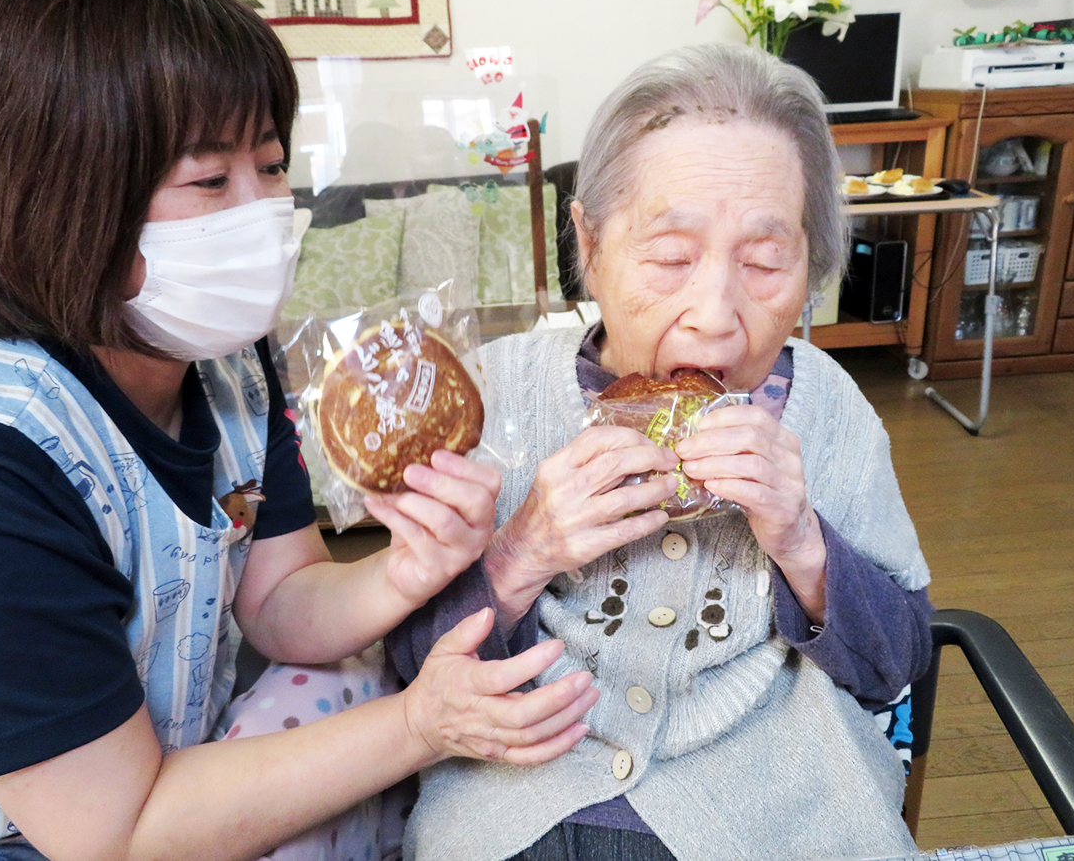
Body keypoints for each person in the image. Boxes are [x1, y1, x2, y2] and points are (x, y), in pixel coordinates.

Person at [0, 0, 599, 859]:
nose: (266, 215)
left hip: (177, 767)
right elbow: (116, 832)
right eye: (211, 181)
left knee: (351, 674)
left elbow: (282, 599)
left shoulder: (223, 359)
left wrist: (411, 569)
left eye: (271, 164)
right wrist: (422, 726)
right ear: (57, 196)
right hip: (38, 836)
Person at [387, 43, 935, 861]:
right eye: (671, 257)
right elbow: (408, 669)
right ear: (591, 243)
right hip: (516, 804)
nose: (714, 315)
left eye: (764, 260)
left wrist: (802, 542)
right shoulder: (494, 397)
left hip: (782, 812)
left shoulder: (832, 413)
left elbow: (896, 664)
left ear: (812, 267)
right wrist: (523, 550)